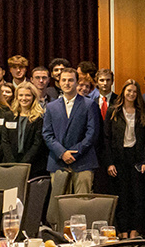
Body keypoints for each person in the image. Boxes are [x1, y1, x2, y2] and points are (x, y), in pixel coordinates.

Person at [42, 68, 102, 225]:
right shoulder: (51, 107)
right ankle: (60, 237)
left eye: (70, 80)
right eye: (64, 80)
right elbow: (47, 135)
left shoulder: (89, 105)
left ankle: (82, 242)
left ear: (76, 83)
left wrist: (75, 152)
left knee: (82, 204)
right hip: (58, 161)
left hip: (83, 161)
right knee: (60, 205)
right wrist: (62, 153)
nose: (67, 83)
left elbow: (92, 134)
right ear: (59, 83)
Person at [104, 79, 145, 239]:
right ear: (123, 92)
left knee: (137, 196)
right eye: (128, 90)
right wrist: (109, 162)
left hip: (136, 158)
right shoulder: (113, 111)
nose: (131, 94)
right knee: (122, 196)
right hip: (119, 158)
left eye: (134, 91)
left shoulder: (142, 112)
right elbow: (106, 138)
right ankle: (123, 229)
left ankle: (135, 230)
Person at [0, 82, 48, 177]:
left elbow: (37, 143)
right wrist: (12, 163)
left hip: (33, 166)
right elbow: (5, 141)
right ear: (16, 97)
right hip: (10, 164)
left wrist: (23, 164)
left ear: (33, 97)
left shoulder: (39, 118)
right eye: (21, 95)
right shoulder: (9, 116)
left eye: (28, 95)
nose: (24, 98)